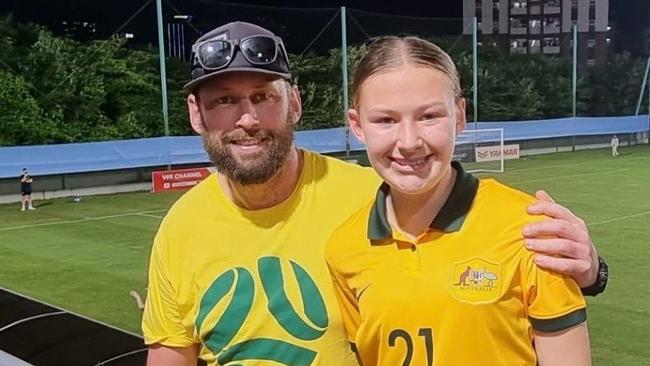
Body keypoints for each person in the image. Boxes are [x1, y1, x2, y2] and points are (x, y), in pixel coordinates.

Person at [142, 21, 607, 365]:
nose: (247, 119)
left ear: (295, 104)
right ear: (196, 114)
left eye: (264, 97)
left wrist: (591, 269)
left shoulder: (378, 194)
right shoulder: (180, 231)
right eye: (224, 101)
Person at [325, 36, 591, 366]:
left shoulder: (530, 230)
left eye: (429, 116)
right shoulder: (344, 248)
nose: (408, 141)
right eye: (385, 120)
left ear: (460, 116)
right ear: (357, 126)